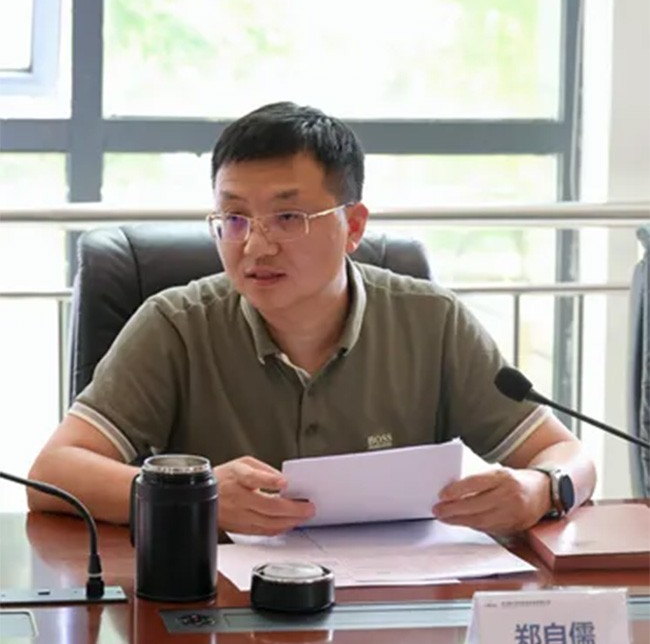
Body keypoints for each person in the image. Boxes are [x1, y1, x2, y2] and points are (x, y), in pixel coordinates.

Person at [27, 101, 595, 536]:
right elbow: (53, 473)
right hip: (214, 613)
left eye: (288, 217)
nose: (255, 246)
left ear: (353, 226)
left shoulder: (432, 321)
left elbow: (570, 456)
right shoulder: (175, 324)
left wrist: (540, 490)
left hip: (386, 620)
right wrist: (192, 494)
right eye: (234, 218)